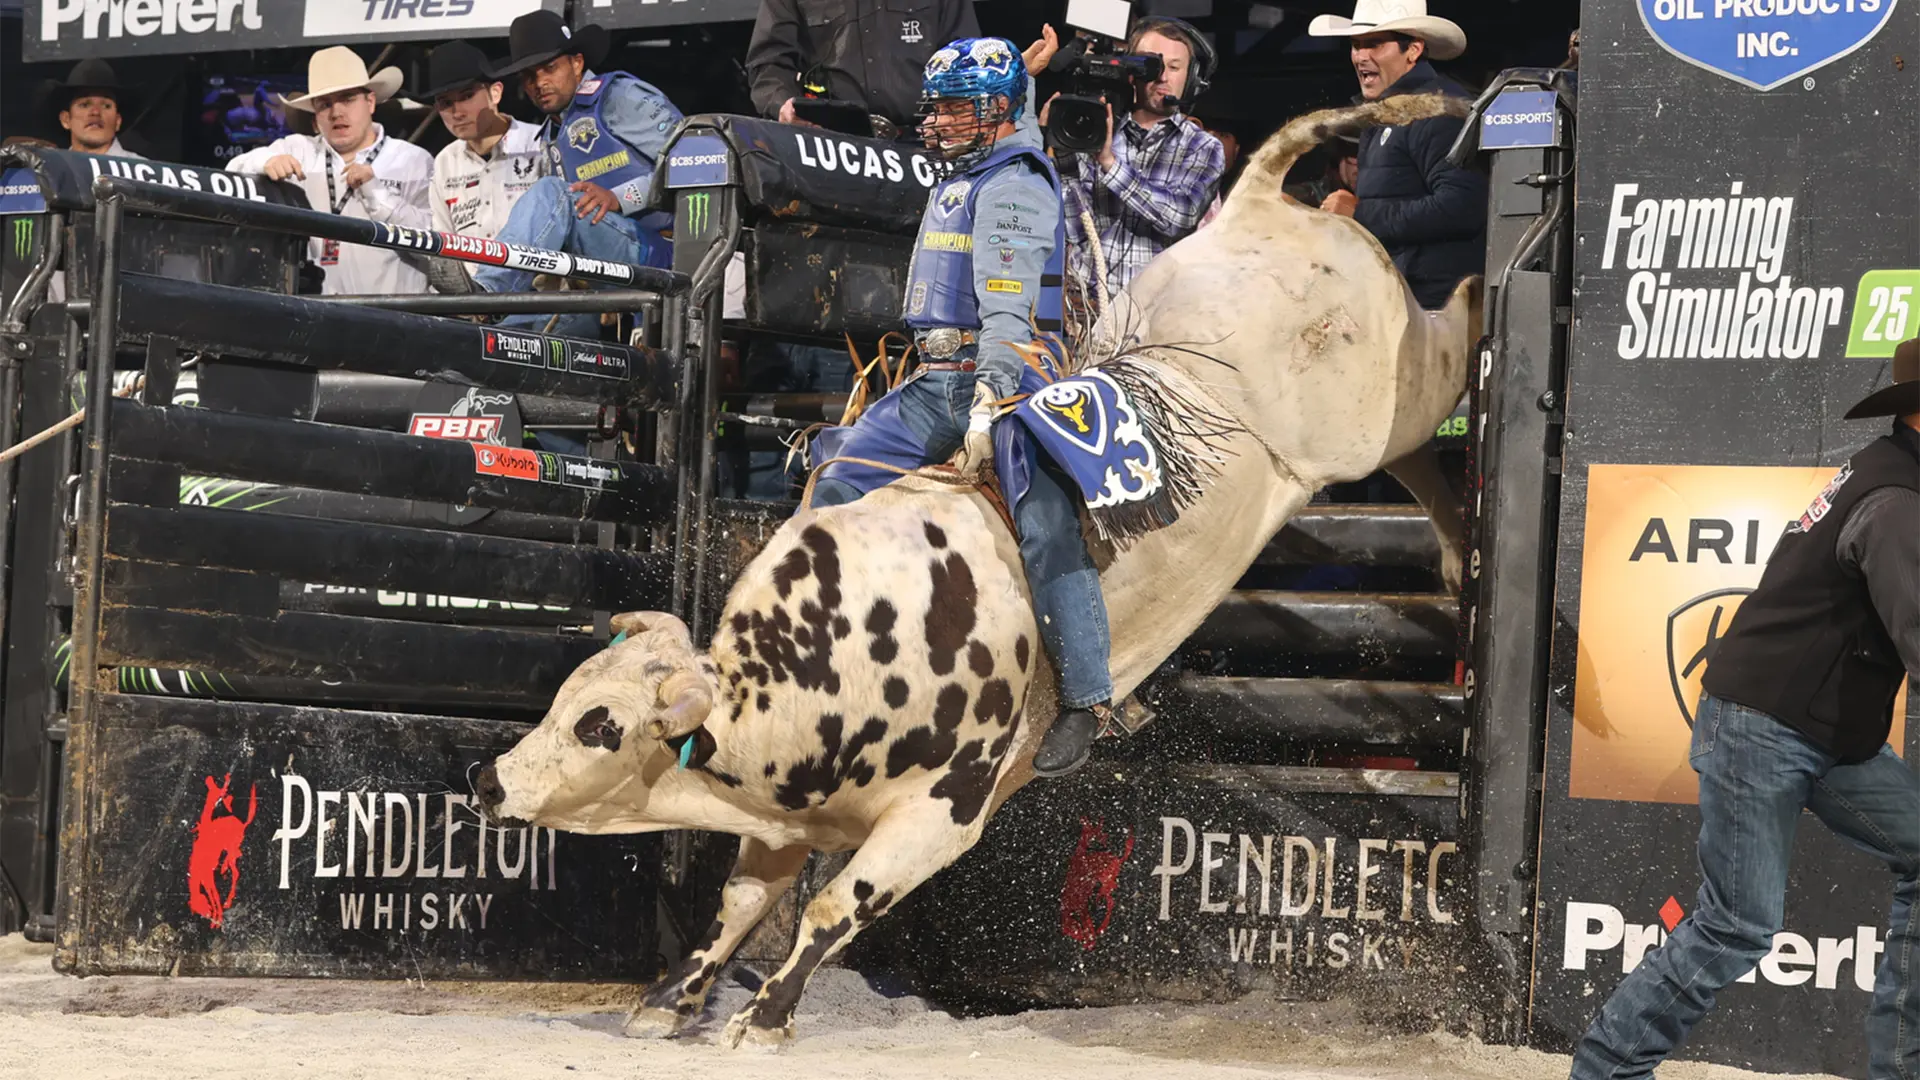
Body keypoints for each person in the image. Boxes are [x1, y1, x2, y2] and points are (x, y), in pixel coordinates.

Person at [1568, 336, 1920, 1080]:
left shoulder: (1891, 474)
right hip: (1768, 727)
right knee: (1738, 924)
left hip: (1824, 732)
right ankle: (1605, 1071)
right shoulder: (1895, 501)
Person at [808, 34, 1115, 779]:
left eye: (956, 108)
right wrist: (1028, 84)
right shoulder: (984, 166)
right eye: (937, 108)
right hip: (939, 373)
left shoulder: (1013, 184)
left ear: (997, 111)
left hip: (1005, 377)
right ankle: (831, 648)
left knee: (1043, 524)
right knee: (839, 472)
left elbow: (1008, 307)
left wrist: (989, 402)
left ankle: (1086, 698)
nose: (938, 122)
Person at [449, 11, 682, 335]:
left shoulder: (619, 95)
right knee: (515, 329)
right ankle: (469, 327)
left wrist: (618, 198)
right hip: (603, 276)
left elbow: (692, 162)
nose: (538, 82)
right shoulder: (551, 134)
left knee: (552, 193)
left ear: (576, 63)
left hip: (663, 252)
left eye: (549, 68)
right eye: (529, 75)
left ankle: (486, 297)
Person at [1309, 0, 1488, 310]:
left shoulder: (1440, 110)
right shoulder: (1386, 115)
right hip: (1398, 299)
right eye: (1356, 45)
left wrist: (1360, 215)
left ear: (1413, 50)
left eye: (1375, 44)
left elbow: (1463, 206)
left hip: (1433, 311)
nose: (1361, 56)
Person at [225, 47, 433, 296]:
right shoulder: (298, 149)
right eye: (325, 105)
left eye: (347, 99)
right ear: (315, 118)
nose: (336, 113)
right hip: (318, 317)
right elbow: (231, 173)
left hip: (398, 318)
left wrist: (378, 195)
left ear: (370, 102)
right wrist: (264, 162)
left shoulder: (411, 160)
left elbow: (433, 245)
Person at [1051, 18, 1225, 308]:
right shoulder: (1094, 131)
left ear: (1192, 77)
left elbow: (1179, 218)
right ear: (1132, 72)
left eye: (1174, 67)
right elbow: (1077, 230)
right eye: (1151, 64)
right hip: (1085, 313)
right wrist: (1066, 154)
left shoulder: (1203, 147)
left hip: (1156, 317)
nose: (1162, 77)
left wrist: (1110, 163)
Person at [746, 0, 980, 133]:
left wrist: (953, 115)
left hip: (924, 141)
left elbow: (965, 59)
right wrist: (782, 105)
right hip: (832, 144)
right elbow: (768, 62)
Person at [422, 40, 547, 248]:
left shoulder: (539, 143)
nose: (457, 112)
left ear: (495, 93)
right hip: (469, 279)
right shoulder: (445, 161)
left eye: (467, 96)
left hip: (533, 279)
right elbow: (443, 241)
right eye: (446, 103)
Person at [40, 59, 143, 158]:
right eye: (84, 105)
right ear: (66, 119)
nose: (96, 112)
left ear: (118, 121)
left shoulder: (144, 172)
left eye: (106, 106)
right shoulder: (50, 171)